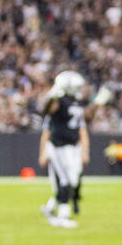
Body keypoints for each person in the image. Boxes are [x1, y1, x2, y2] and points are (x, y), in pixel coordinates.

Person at [38, 71, 89, 229]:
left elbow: (83, 126)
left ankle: (55, 209)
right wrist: (53, 94)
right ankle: (62, 215)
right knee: (65, 180)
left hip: (72, 147)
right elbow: (46, 109)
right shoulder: (57, 100)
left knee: (72, 180)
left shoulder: (76, 103)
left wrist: (84, 150)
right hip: (59, 146)